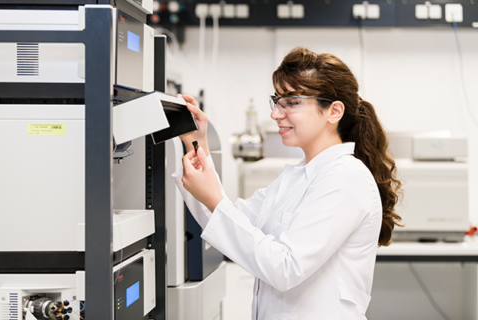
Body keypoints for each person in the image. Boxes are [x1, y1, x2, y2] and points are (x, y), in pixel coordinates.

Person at [172, 47, 402, 320]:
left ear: (333, 111)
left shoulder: (345, 177)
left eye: (291, 103)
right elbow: (232, 221)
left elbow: (285, 268)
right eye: (277, 101)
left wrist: (214, 199)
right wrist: (197, 143)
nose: (276, 114)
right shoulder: (299, 177)